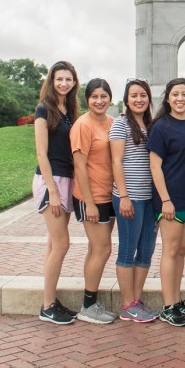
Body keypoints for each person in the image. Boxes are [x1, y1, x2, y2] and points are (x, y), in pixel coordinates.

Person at [147, 78, 185, 326]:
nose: (180, 98)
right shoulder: (161, 127)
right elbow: (155, 165)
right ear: (168, 98)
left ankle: (177, 300)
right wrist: (165, 200)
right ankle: (168, 306)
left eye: (184, 94)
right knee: (170, 251)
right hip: (170, 200)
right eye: (175, 94)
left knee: (181, 251)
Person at [33, 61, 81, 325]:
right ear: (51, 81)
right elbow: (41, 152)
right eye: (59, 79)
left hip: (68, 179)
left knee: (54, 243)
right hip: (50, 181)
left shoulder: (70, 111)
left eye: (68, 79)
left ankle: (50, 300)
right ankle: (47, 306)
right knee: (62, 243)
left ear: (74, 82)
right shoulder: (44, 109)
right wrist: (52, 191)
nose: (63, 83)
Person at [70, 78, 118, 324]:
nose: (99, 101)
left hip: (109, 196)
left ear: (110, 98)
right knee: (103, 249)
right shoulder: (82, 125)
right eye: (94, 97)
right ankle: (88, 305)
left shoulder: (112, 122)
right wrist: (88, 202)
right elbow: (79, 166)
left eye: (103, 96)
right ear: (87, 100)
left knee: (95, 249)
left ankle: (90, 301)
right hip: (91, 198)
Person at [110, 78, 158, 323]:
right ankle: (127, 305)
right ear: (126, 100)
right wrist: (124, 196)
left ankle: (136, 300)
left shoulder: (151, 124)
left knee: (146, 250)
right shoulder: (120, 124)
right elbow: (116, 161)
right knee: (128, 251)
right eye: (133, 95)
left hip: (151, 198)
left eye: (142, 95)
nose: (138, 99)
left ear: (149, 98)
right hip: (129, 198)